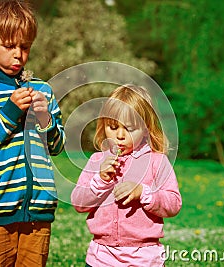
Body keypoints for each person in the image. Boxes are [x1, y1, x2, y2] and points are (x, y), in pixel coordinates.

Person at [0, 0, 65, 266]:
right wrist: (8, 112)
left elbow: (58, 145)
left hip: (38, 211)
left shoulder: (43, 91)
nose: (18, 54)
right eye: (9, 46)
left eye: (25, 47)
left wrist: (45, 119)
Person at [71, 84, 182, 267]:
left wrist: (144, 193)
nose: (120, 135)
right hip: (101, 258)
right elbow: (78, 202)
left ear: (146, 128)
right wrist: (100, 180)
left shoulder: (157, 162)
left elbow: (173, 203)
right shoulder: (98, 160)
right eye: (113, 127)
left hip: (145, 259)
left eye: (129, 129)